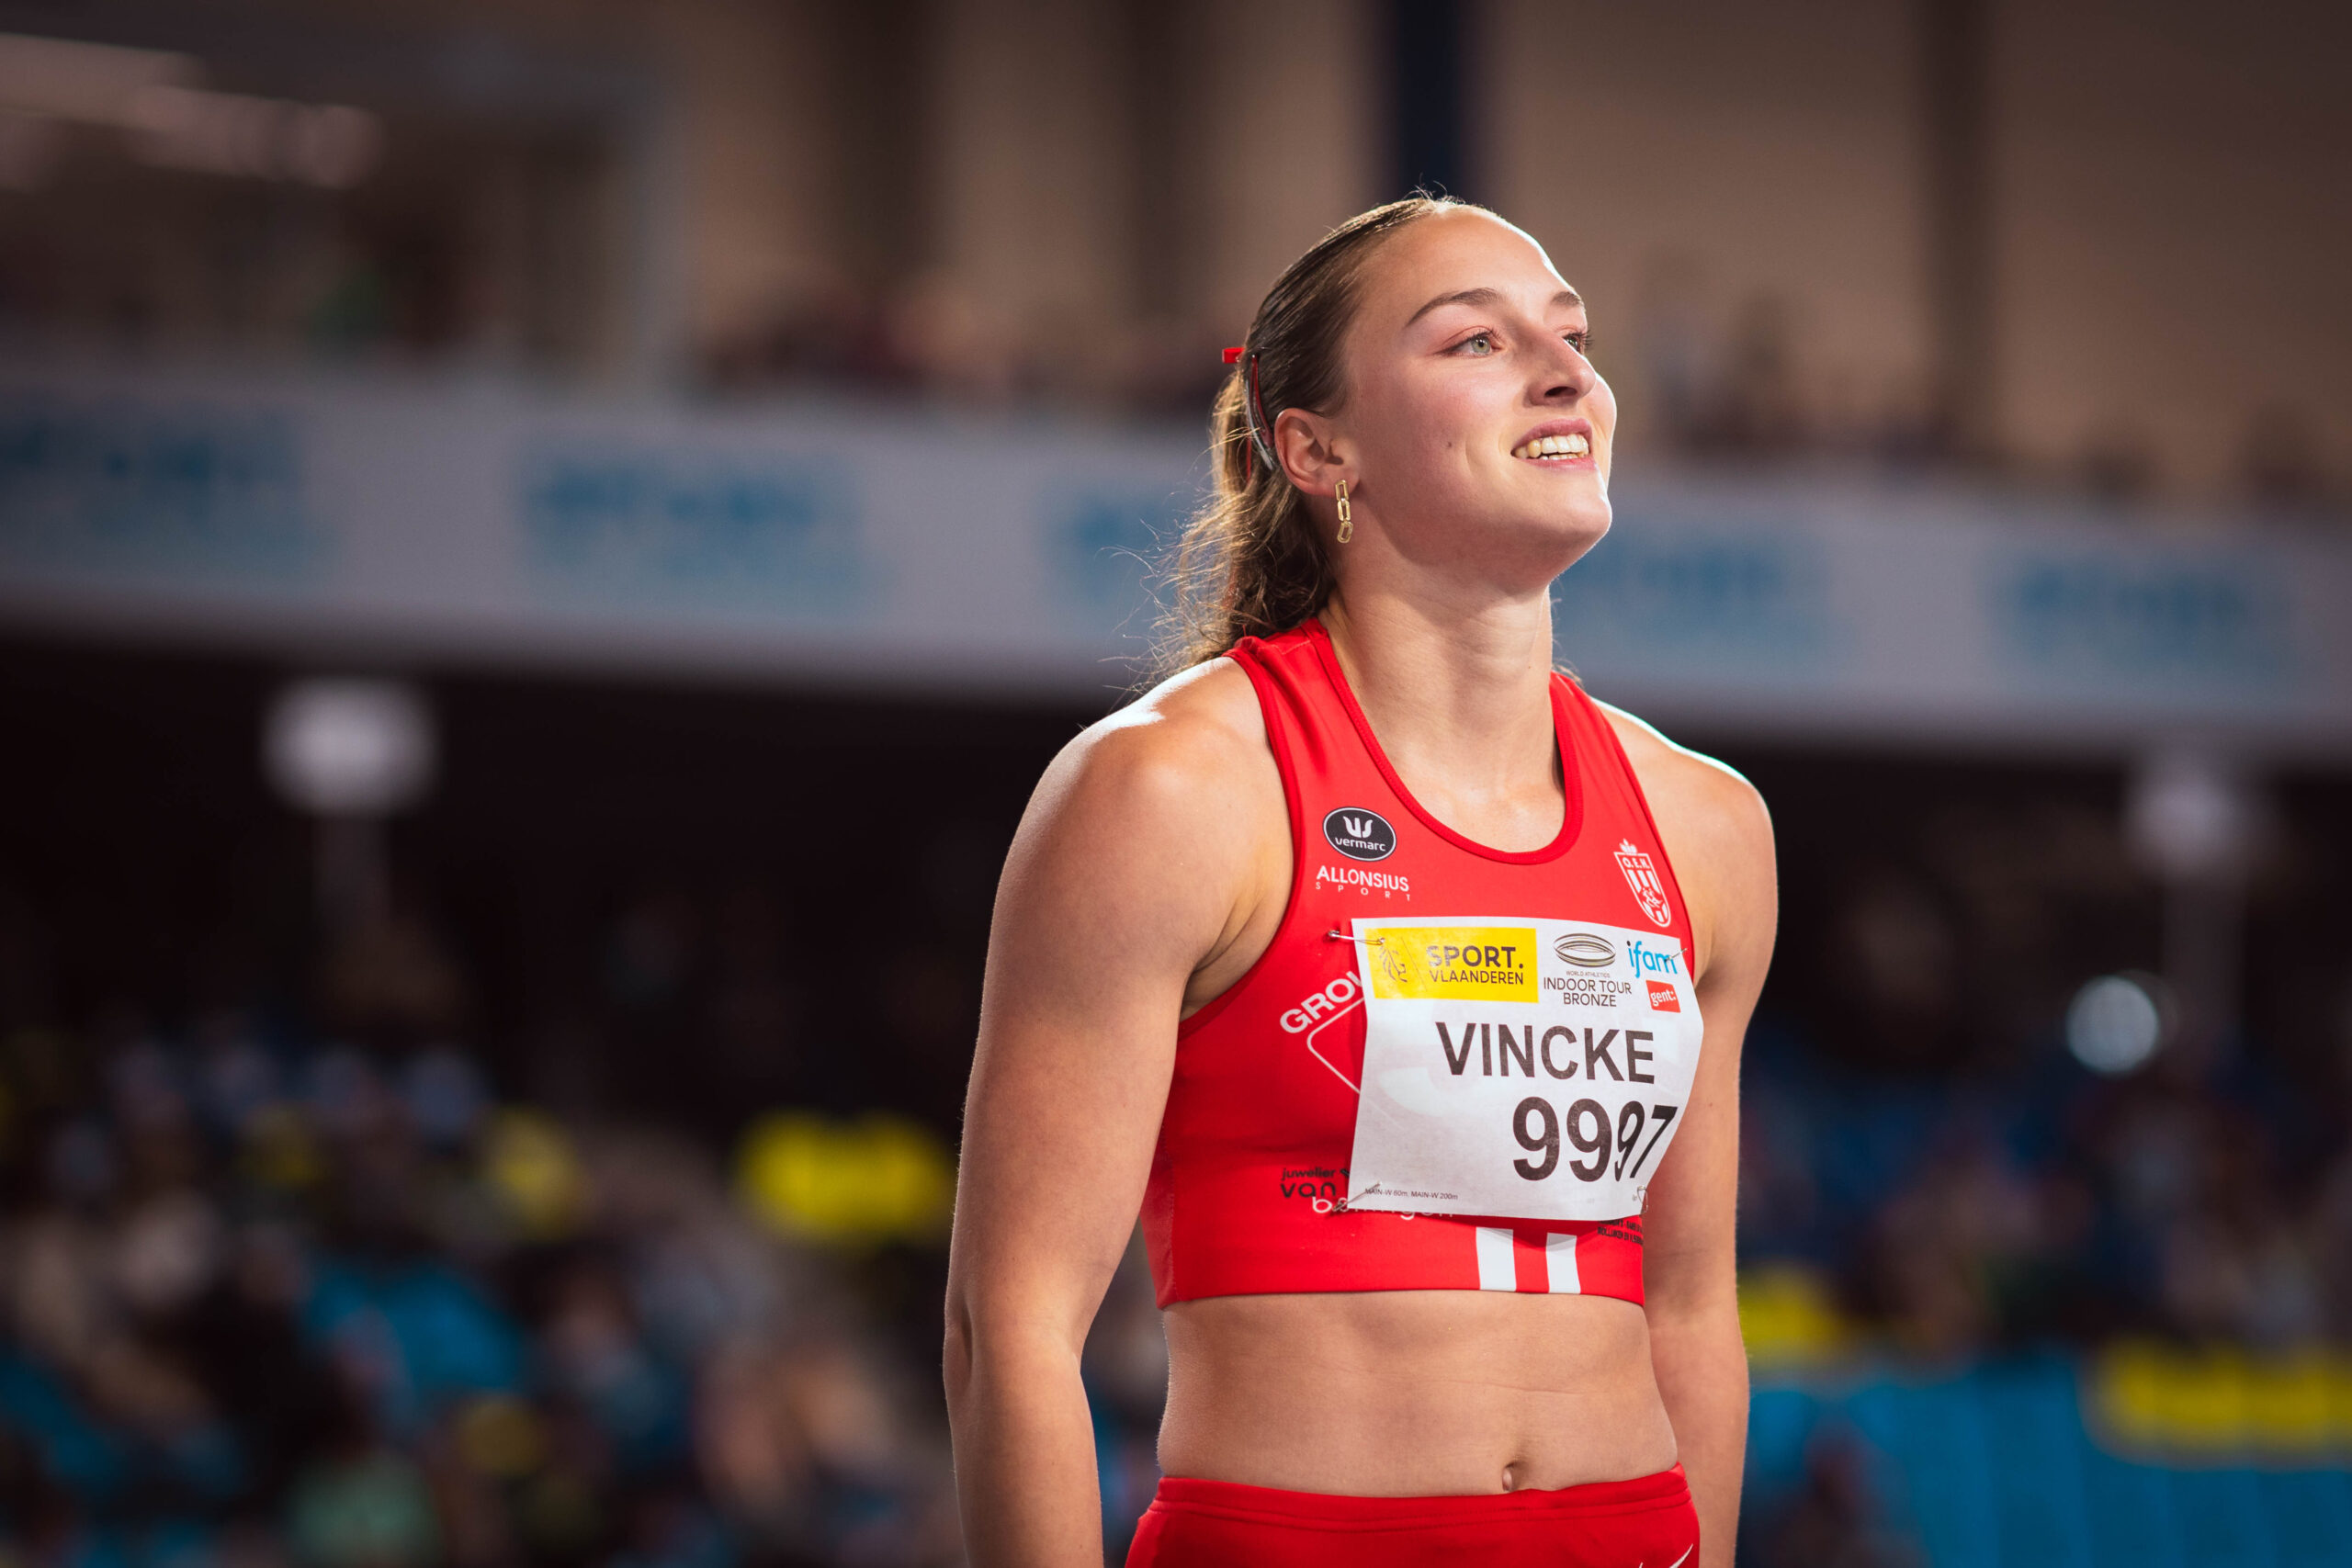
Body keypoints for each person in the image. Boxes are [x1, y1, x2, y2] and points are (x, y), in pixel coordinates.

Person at [944, 197, 1777, 1568]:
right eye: (1476, 342)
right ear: (1316, 448)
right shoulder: (1170, 792)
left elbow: (1691, 1311)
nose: (1566, 374)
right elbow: (1011, 1331)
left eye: (1572, 338)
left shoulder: (1708, 827)